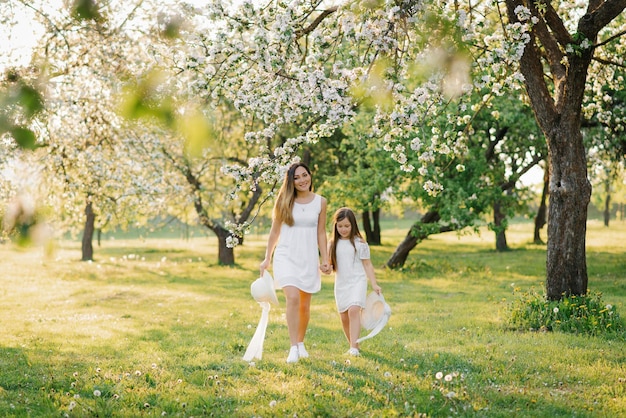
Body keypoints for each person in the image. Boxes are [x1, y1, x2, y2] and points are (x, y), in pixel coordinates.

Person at [260, 162, 331, 363]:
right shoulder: (284, 200)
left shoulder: (320, 202)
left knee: (304, 306)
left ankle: (300, 342)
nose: (302, 180)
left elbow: (320, 232)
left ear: (310, 175)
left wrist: (325, 259)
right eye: (297, 177)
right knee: (292, 298)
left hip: (308, 257)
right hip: (286, 256)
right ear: (291, 182)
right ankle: (293, 348)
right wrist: (267, 258)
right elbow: (275, 232)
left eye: (304, 175)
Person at [328, 207, 381, 356]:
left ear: (353, 225)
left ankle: (354, 348)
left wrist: (374, 283)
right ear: (335, 226)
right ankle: (354, 345)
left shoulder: (360, 243)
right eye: (340, 226)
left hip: (357, 281)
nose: (343, 229)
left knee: (353, 311)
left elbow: (367, 264)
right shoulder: (332, 244)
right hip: (341, 284)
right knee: (344, 316)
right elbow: (330, 266)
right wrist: (325, 268)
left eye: (347, 226)